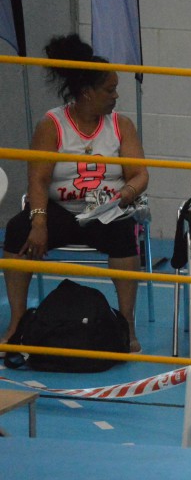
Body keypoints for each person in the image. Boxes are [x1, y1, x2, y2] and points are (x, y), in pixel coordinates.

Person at [2, 33, 148, 353]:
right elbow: (38, 180)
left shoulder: (121, 125)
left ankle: (125, 324)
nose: (116, 96)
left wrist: (126, 193)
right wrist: (39, 222)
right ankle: (17, 321)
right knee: (17, 231)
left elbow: (140, 173)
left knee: (125, 234)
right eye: (110, 90)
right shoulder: (51, 124)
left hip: (105, 210)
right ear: (86, 93)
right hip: (60, 209)